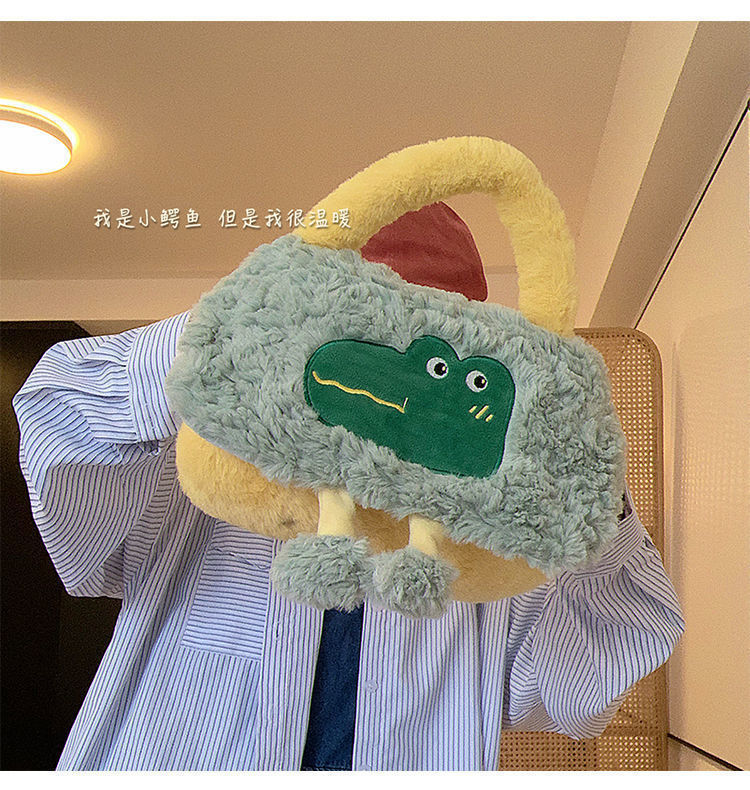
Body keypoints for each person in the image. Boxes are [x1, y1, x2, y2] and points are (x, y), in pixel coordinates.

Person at [12, 207, 684, 770]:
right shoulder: (205, 459)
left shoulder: (489, 533)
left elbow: (574, 696)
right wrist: (216, 339)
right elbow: (59, 440)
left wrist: (587, 490)